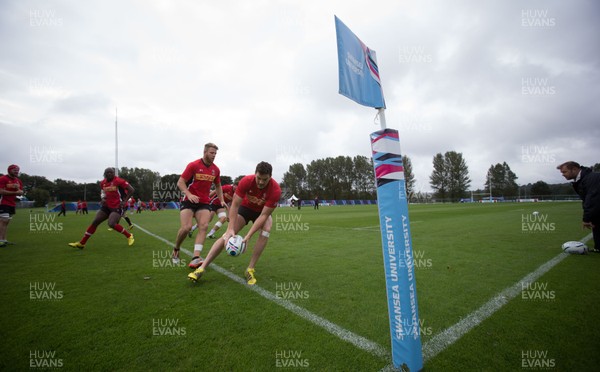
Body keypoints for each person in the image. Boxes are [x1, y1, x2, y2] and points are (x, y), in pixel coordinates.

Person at [188, 161, 281, 285]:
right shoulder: (246, 181)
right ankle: (201, 268)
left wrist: (248, 236)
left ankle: (250, 269)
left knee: (266, 230)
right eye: (259, 178)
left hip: (261, 213)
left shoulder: (275, 190)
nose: (261, 182)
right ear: (255, 174)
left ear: (270, 177)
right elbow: (235, 205)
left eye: (265, 179)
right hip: (245, 209)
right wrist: (230, 229)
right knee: (226, 236)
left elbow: (264, 215)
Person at [171, 143, 225, 267]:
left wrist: (221, 200)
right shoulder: (193, 165)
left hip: (204, 202)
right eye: (212, 153)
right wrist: (189, 194)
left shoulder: (215, 169)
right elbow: (180, 182)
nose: (214, 155)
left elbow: (218, 186)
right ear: (205, 152)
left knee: (204, 226)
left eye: (215, 153)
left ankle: (196, 257)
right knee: (186, 228)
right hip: (188, 201)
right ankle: (176, 249)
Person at [68, 167, 135, 249]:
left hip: (117, 206)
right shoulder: (103, 183)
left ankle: (129, 235)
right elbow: (103, 192)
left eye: (111, 172)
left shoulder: (119, 181)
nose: (109, 174)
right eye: (107, 172)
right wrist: (103, 199)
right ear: (104, 174)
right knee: (95, 221)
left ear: (114, 174)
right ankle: (82, 243)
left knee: (111, 224)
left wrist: (124, 201)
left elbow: (131, 190)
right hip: (107, 205)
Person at [557, 161, 600, 252]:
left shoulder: (591, 178)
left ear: (574, 169)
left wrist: (586, 219)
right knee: (596, 221)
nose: (563, 175)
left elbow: (592, 199)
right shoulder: (582, 180)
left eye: (564, 172)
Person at [0, 164, 24, 247]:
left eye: (18, 170)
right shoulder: (3, 179)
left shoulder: (18, 181)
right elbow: (1, 191)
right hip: (3, 202)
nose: (17, 172)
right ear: (9, 170)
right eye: (15, 170)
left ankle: (4, 240)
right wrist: (15, 192)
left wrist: (17, 189)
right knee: (4, 220)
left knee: (6, 222)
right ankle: (1, 240)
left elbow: (21, 192)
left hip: (11, 203)